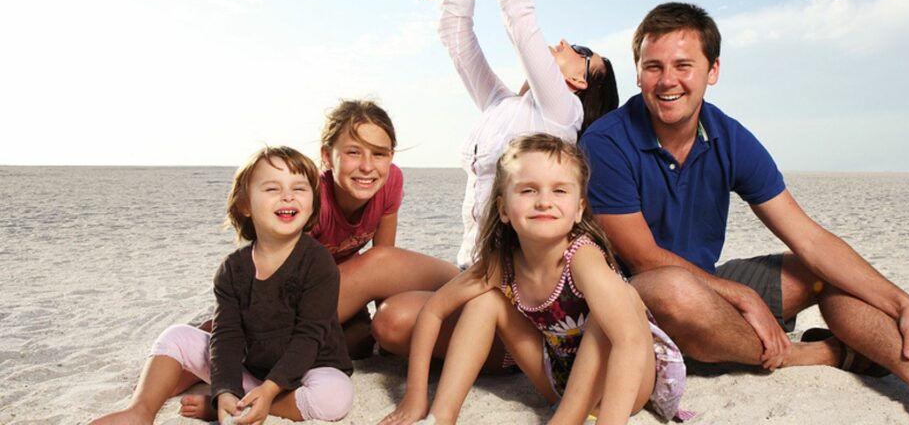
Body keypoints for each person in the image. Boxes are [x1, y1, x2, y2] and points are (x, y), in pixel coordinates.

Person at [578, 1, 909, 423]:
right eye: (653, 66)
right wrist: (743, 297)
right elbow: (645, 259)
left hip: (708, 287)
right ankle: (809, 354)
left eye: (683, 66)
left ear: (712, 71)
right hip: (637, 305)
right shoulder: (606, 142)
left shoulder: (729, 136)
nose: (667, 80)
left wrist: (902, 302)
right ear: (638, 74)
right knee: (673, 289)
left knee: (822, 271)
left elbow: (808, 238)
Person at [373, 0, 618, 359]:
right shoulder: (504, 106)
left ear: (580, 83)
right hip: (473, 268)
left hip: (512, 288)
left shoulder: (560, 113)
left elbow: (520, 20)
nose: (566, 43)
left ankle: (510, 351)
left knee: (394, 320)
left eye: (582, 52)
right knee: (378, 266)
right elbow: (456, 34)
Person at [379, 134, 689, 425]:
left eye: (559, 190)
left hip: (626, 384)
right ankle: (442, 416)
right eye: (528, 190)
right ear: (503, 209)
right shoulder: (502, 264)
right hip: (560, 383)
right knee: (486, 301)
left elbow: (631, 341)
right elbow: (434, 310)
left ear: (579, 209)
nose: (544, 201)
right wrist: (415, 395)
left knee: (616, 302)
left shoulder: (583, 257)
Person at [90, 146, 353, 425]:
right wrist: (226, 389)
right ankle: (141, 411)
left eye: (299, 188)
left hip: (312, 368)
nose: (288, 196)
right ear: (245, 205)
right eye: (272, 189)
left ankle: (244, 407)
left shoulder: (318, 261)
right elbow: (227, 336)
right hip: (254, 373)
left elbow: (309, 336)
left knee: (334, 397)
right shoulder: (232, 269)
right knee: (175, 336)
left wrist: (269, 390)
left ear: (313, 202)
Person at [315, 99, 459, 359]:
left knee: (361, 343)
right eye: (353, 152)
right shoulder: (312, 197)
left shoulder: (391, 180)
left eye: (379, 154)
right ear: (327, 156)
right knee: (377, 265)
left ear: (391, 156)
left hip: (350, 283)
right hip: (305, 291)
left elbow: (386, 256)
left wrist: (390, 330)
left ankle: (476, 297)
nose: (367, 166)